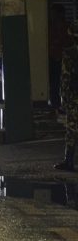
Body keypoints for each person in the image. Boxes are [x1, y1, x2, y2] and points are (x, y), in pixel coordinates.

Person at [54, 23, 77, 171]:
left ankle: (69, 161)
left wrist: (64, 98)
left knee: (72, 128)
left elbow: (65, 77)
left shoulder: (69, 53)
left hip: (75, 96)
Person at [48, 4, 68, 109]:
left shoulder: (64, 27)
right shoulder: (50, 26)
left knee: (58, 83)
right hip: (53, 58)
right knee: (53, 84)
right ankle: (55, 105)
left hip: (61, 59)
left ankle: (58, 105)